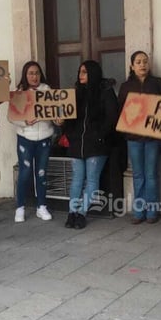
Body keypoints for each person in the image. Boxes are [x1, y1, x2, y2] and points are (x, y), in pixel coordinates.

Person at [59, 60, 118, 229]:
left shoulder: (105, 92)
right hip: (77, 143)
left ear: (93, 72)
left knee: (92, 180)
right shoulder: (75, 93)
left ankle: (82, 213)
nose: (81, 75)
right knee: (77, 179)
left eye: (84, 72)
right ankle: (72, 213)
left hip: (97, 145)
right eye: (80, 71)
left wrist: (100, 136)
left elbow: (112, 116)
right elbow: (68, 118)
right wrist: (67, 130)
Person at [117, 50, 161, 224]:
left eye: (145, 61)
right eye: (139, 62)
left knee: (151, 174)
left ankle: (152, 212)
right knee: (138, 174)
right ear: (132, 66)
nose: (142, 65)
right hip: (133, 138)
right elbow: (121, 111)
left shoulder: (158, 84)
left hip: (153, 138)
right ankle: (139, 211)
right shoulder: (126, 87)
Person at [13, 61, 55, 223]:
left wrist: (57, 119)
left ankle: (41, 206)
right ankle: (20, 207)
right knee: (24, 173)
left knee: (42, 172)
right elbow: (12, 117)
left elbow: (54, 111)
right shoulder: (19, 92)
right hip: (25, 138)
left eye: (37, 73)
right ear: (25, 75)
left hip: (44, 137)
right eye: (30, 73)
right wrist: (24, 122)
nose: (34, 76)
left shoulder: (47, 90)